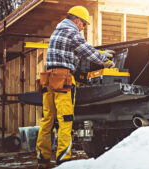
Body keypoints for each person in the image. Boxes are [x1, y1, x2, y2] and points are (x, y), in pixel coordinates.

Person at [36, 6, 115, 168]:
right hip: (63, 79)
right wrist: (105, 60)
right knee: (65, 119)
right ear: (77, 20)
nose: (83, 27)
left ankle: (42, 159)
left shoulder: (57, 31)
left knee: (47, 120)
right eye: (84, 23)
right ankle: (63, 160)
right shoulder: (72, 33)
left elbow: (73, 54)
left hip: (48, 79)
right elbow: (88, 52)